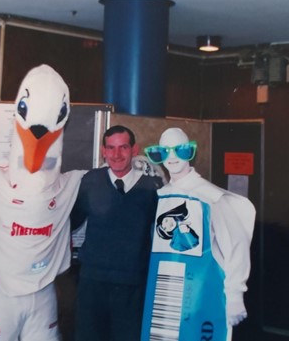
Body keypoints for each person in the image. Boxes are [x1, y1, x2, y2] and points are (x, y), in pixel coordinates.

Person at [0, 64, 86, 341]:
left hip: (44, 293)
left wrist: (143, 166)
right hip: (0, 292)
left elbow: (109, 176)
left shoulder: (69, 184)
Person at [141, 127, 255, 341]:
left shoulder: (209, 196)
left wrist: (235, 294)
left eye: (180, 150)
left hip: (202, 292)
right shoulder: (161, 196)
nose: (172, 157)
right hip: (167, 296)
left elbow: (236, 245)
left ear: (190, 152)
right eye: (164, 152)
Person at [70, 125, 163, 341]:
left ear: (134, 149)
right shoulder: (90, 182)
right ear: (103, 151)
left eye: (123, 148)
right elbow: (71, 222)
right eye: (111, 148)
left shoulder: (151, 188)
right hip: (93, 283)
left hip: (132, 285)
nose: (116, 154)